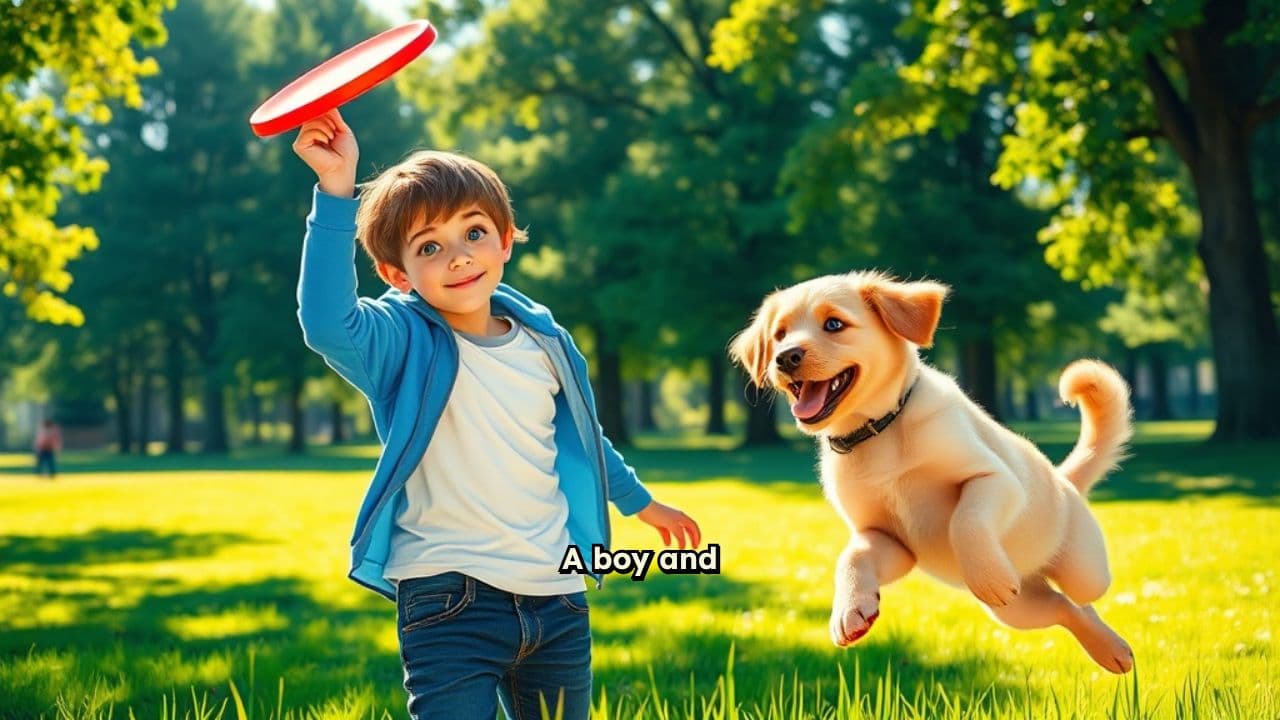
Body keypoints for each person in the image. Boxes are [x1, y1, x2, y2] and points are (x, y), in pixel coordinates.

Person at [292, 108, 702, 719]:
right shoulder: (399, 340)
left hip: (557, 598)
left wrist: (640, 503)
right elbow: (326, 321)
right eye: (430, 246)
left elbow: (588, 439)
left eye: (474, 233)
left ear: (506, 239)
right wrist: (335, 190)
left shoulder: (545, 342)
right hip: (447, 597)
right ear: (395, 274)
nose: (458, 256)